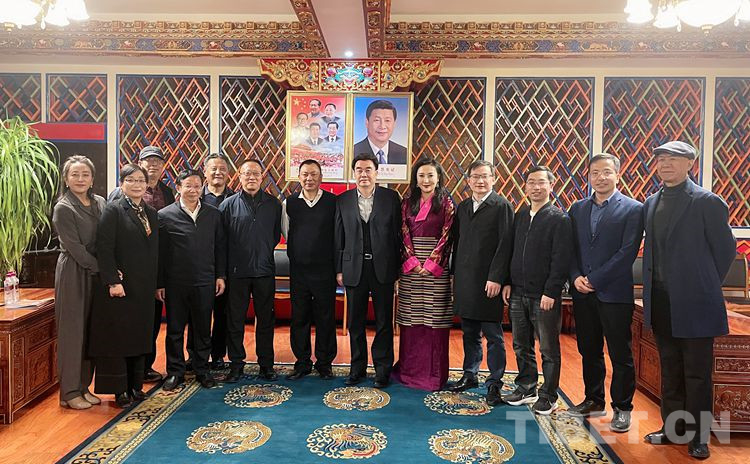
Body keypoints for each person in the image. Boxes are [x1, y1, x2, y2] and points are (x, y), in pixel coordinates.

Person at [641, 141, 735, 460]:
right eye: (661, 159)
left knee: (697, 374)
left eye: (673, 159)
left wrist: (703, 283)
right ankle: (673, 429)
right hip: (661, 301)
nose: (665, 164)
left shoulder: (707, 201)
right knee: (670, 370)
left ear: (689, 164)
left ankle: (699, 437)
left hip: (696, 304)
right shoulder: (651, 202)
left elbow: (725, 250)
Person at [567, 153, 643, 432]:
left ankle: (622, 408)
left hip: (614, 293)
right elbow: (570, 247)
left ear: (617, 175)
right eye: (595, 173)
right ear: (588, 176)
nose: (600, 177)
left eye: (606, 172)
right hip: (582, 293)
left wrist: (594, 279)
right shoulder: (577, 208)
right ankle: (593, 399)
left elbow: (627, 252)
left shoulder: (634, 209)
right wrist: (575, 277)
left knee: (620, 353)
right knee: (589, 349)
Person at [501, 166, 572, 416]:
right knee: (521, 344)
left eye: (542, 182)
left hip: (544, 296)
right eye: (531, 182)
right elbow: (511, 251)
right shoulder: (520, 215)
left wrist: (551, 291)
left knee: (548, 349)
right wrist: (507, 281)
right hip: (518, 293)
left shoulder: (559, 219)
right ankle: (526, 387)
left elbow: (561, 259)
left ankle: (548, 395)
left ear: (551, 186)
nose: (536, 187)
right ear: (526, 186)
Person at [90, 164, 159, 408]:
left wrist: (157, 284)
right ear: (122, 184)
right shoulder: (114, 210)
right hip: (121, 287)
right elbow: (104, 248)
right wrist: (113, 280)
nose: (137, 184)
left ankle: (135, 386)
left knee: (139, 337)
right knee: (119, 339)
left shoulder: (150, 213)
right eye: (131, 180)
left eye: (141, 180)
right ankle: (119, 390)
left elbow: (155, 250)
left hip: (144, 287)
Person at [448, 160, 513, 406]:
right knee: (469, 332)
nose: (480, 181)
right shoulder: (463, 207)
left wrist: (497, 277)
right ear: (468, 180)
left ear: (493, 179)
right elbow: (457, 242)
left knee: (493, 335)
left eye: (485, 176)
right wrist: (454, 275)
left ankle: (495, 382)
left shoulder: (501, 206)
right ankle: (470, 374)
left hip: (489, 282)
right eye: (475, 176)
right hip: (466, 280)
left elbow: (506, 245)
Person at [108, 145, 174, 384]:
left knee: (152, 320)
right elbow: (108, 238)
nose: (153, 165)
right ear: (139, 164)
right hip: (128, 271)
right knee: (128, 324)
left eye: (158, 161)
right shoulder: (118, 197)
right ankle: (124, 376)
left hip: (155, 267)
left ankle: (145, 367)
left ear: (163, 166)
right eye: (148, 161)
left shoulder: (168, 192)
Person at [335, 152, 401, 388]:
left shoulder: (391, 198)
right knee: (355, 322)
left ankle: (383, 370)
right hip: (354, 268)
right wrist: (339, 269)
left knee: (384, 322)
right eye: (359, 170)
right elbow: (338, 237)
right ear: (354, 174)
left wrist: (397, 271)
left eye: (368, 169)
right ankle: (357, 369)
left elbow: (397, 236)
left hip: (383, 268)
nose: (363, 174)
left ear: (376, 172)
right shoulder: (343, 200)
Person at [157, 169, 226, 391]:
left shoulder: (213, 214)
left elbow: (220, 248)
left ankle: (202, 369)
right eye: (188, 186)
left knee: (203, 329)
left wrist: (220, 276)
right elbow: (160, 254)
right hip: (176, 283)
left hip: (205, 280)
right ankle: (175, 372)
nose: (193, 190)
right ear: (178, 188)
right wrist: (160, 283)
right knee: (175, 329)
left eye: (197, 186)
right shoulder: (164, 215)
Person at [392, 157, 455, 391]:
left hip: (436, 270)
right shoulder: (407, 203)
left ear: (438, 178)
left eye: (430, 175)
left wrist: (431, 263)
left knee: (434, 320)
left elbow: (448, 235)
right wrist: (412, 261)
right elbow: (402, 233)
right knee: (411, 319)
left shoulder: (447, 203)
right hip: (410, 268)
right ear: (415, 179)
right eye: (421, 175)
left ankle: (434, 375)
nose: (426, 180)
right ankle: (409, 371)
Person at [219, 159, 282, 382]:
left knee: (266, 320)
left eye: (256, 173)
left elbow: (275, 236)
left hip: (264, 271)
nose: (251, 177)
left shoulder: (273, 204)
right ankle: (236, 365)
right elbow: (222, 242)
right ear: (239, 176)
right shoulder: (227, 205)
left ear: (262, 176)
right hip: (237, 272)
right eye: (247, 173)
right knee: (235, 321)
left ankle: (266, 364)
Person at [52, 155, 107, 410]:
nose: (80, 179)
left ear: (92, 178)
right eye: (75, 174)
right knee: (72, 333)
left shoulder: (100, 202)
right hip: (74, 272)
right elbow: (75, 249)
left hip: (96, 273)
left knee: (91, 332)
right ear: (66, 179)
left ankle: (84, 386)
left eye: (85, 174)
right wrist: (104, 269)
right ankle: (69, 391)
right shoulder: (64, 208)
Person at [281, 160, 338, 380]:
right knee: (299, 317)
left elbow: (337, 234)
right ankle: (302, 362)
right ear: (299, 177)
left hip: (325, 270)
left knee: (325, 317)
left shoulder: (333, 202)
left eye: (314, 174)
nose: (309, 178)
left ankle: (325, 363)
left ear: (321, 177)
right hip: (299, 271)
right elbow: (287, 232)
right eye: (305, 174)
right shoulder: (289, 203)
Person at [197, 152, 235, 369]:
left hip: (226, 267)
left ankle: (218, 354)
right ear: (205, 172)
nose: (218, 172)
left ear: (228, 173)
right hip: (199, 266)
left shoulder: (235, 199)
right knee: (197, 315)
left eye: (222, 169)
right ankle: (196, 356)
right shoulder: (195, 197)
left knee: (223, 314)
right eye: (214, 168)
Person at [353, 100, 407, 165]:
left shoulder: (404, 153)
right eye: (377, 120)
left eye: (387, 120)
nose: (382, 126)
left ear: (394, 124)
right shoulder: (353, 151)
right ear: (367, 122)